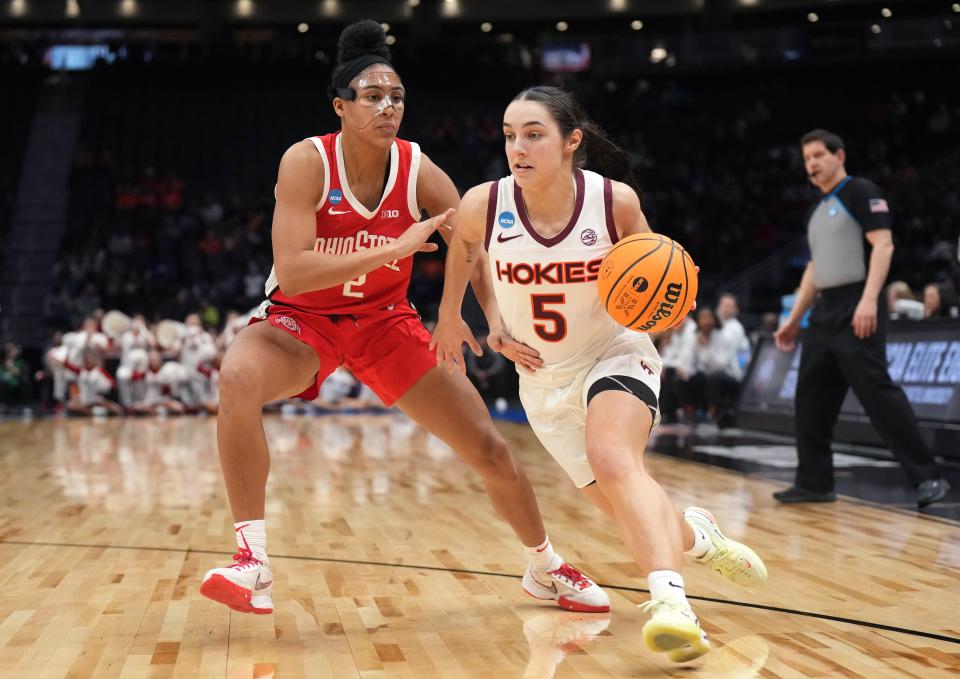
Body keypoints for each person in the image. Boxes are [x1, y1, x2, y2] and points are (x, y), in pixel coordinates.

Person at [200, 22, 607, 618]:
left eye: (396, 97)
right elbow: (293, 272)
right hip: (302, 321)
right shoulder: (307, 161)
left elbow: (470, 240)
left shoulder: (416, 167)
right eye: (372, 96)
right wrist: (393, 249)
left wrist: (489, 314)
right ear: (340, 106)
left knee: (490, 451)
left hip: (386, 322)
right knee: (236, 378)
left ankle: (545, 566)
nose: (388, 107)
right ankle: (251, 560)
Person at [430, 85, 768, 664]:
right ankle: (696, 538)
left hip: (614, 351)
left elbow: (662, 279)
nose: (518, 146)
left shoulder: (614, 203)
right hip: (541, 380)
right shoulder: (486, 202)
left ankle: (670, 605)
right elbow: (465, 248)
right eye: (510, 135)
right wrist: (474, 317)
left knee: (615, 460)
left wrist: (666, 308)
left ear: (572, 141)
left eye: (534, 134)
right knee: (627, 509)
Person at [773, 129, 950, 508]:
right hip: (824, 312)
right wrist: (793, 320)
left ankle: (929, 478)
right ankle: (814, 483)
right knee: (810, 399)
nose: (812, 164)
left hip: (858, 301)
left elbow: (883, 246)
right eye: (807, 159)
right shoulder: (817, 210)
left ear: (840, 156)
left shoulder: (862, 192)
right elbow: (814, 270)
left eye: (819, 155)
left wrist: (869, 300)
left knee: (878, 395)